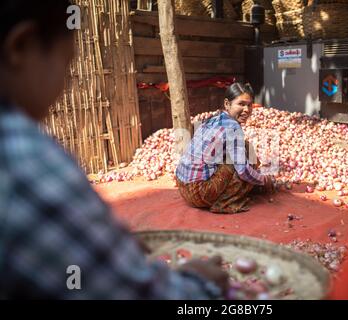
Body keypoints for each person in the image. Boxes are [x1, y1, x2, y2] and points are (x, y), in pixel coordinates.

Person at [0, 0, 228, 299]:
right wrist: (201, 283)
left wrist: (105, 249)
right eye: (66, 67)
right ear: (22, 46)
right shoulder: (25, 159)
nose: (64, 86)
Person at [175, 83, 275, 213]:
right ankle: (224, 202)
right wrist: (263, 179)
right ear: (227, 104)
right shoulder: (233, 127)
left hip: (182, 186)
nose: (246, 109)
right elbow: (243, 171)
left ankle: (251, 183)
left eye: (249, 105)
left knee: (243, 148)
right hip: (199, 193)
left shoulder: (213, 119)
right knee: (245, 158)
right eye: (241, 104)